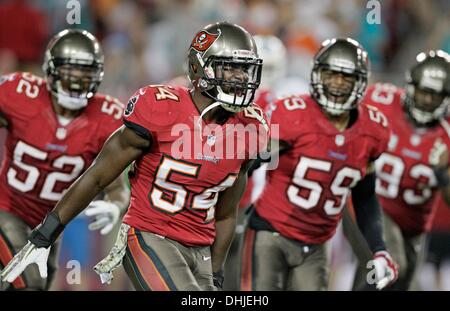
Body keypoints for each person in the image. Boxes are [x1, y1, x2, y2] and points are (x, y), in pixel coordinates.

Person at [1, 22, 269, 291]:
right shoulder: (161, 108)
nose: (240, 77)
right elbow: (97, 177)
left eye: (245, 69)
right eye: (230, 67)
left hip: (200, 247)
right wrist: (45, 234)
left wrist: (216, 274)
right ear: (200, 67)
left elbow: (225, 213)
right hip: (151, 235)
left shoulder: (251, 127)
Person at [240, 38, 398, 291]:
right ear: (317, 74)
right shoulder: (293, 114)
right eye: (331, 74)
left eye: (345, 77)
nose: (337, 83)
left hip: (318, 242)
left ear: (360, 82)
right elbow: (250, 166)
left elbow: (365, 196)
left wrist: (379, 248)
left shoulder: (372, 131)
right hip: (271, 232)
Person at [0, 29, 129, 291]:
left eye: (86, 73)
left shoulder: (107, 118)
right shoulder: (19, 92)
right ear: (51, 69)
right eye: (71, 71)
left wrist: (115, 207)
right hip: (7, 208)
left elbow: (118, 189)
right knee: (28, 284)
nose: (78, 80)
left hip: (49, 227)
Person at [349, 50, 450, 290]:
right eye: (424, 91)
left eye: (434, 95)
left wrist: (441, 174)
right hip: (368, 206)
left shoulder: (446, 134)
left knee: (401, 283)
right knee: (392, 265)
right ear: (411, 86)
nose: (427, 100)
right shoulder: (380, 100)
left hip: (413, 227)